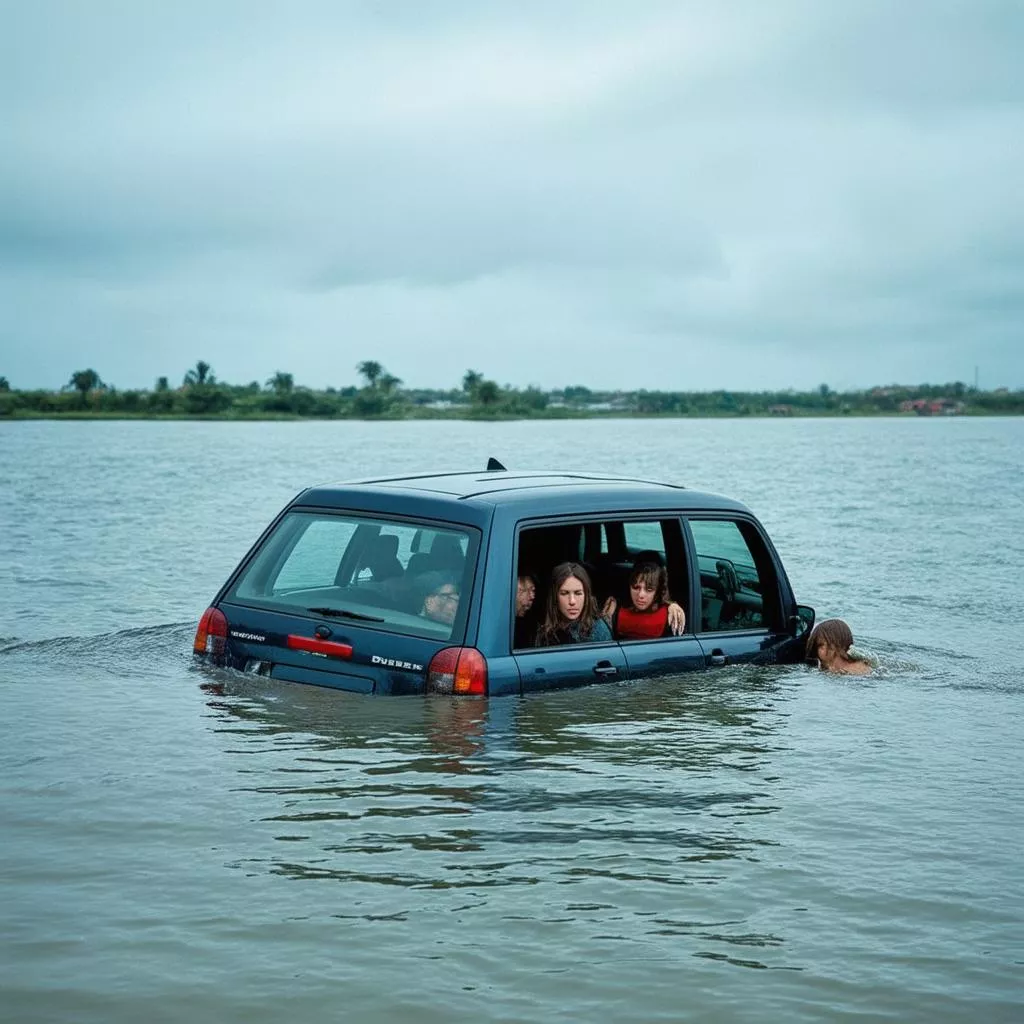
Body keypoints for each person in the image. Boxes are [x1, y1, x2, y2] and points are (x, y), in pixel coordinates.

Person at [602, 557, 686, 638]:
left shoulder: (671, 616)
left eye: (649, 590)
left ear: (657, 592)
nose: (641, 595)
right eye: (636, 587)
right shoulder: (614, 609)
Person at [536, 562, 612, 646]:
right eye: (564, 593)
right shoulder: (542, 627)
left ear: (586, 596)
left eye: (578, 593)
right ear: (555, 596)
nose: (572, 601)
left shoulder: (598, 631)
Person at [806, 618, 871, 675]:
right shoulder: (825, 670)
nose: (817, 652)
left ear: (834, 645)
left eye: (820, 645)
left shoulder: (860, 669)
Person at [513, 571, 538, 648]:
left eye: (533, 591)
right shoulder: (505, 624)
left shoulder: (531, 623)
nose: (532, 596)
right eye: (527, 590)